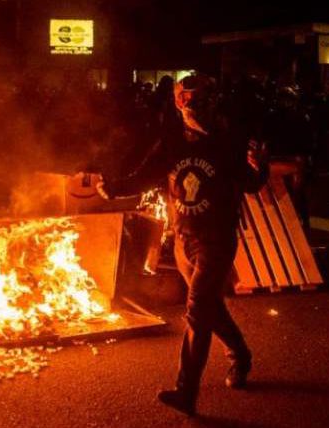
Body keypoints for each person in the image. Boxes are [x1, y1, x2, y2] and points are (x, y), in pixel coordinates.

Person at [97, 75, 269, 416]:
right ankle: (241, 355)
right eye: (186, 101)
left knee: (197, 311)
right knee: (209, 309)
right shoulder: (173, 142)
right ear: (179, 104)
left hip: (215, 240)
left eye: (200, 101)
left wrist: (259, 166)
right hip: (183, 240)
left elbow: (250, 184)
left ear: (212, 104)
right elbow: (145, 175)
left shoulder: (227, 142)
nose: (193, 108)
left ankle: (186, 391)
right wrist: (113, 188)